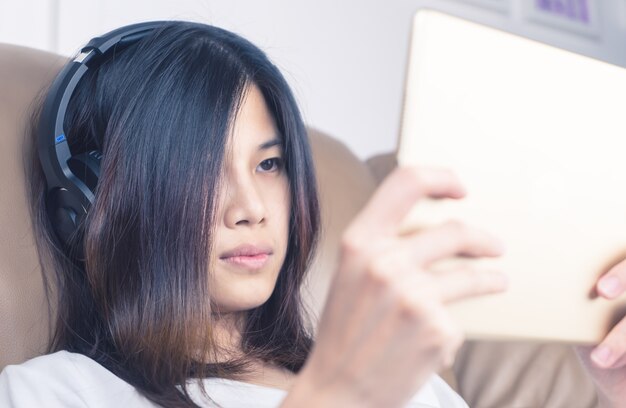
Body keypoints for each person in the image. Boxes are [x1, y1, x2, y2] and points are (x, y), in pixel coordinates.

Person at [0, 21, 624, 408]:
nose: (251, 210)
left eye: (269, 165)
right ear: (95, 200)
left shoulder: (411, 384)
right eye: (202, 170)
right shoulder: (55, 394)